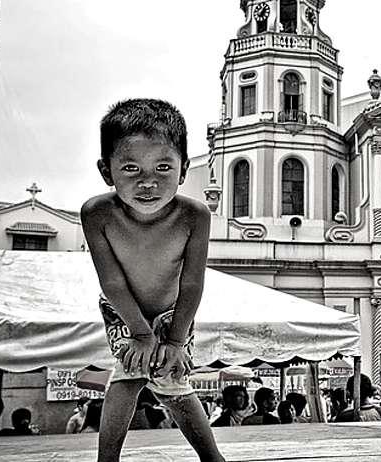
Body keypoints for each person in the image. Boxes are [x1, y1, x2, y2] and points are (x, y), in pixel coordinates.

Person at [81, 99, 224, 462]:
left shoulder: (195, 215)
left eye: (163, 167)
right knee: (128, 373)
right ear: (106, 171)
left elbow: (192, 284)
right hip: (122, 309)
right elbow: (112, 281)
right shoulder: (97, 214)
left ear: (183, 169)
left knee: (173, 381)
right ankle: (107, 460)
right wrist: (140, 332)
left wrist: (174, 340)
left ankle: (213, 458)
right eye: (131, 168)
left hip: (175, 312)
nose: (148, 181)